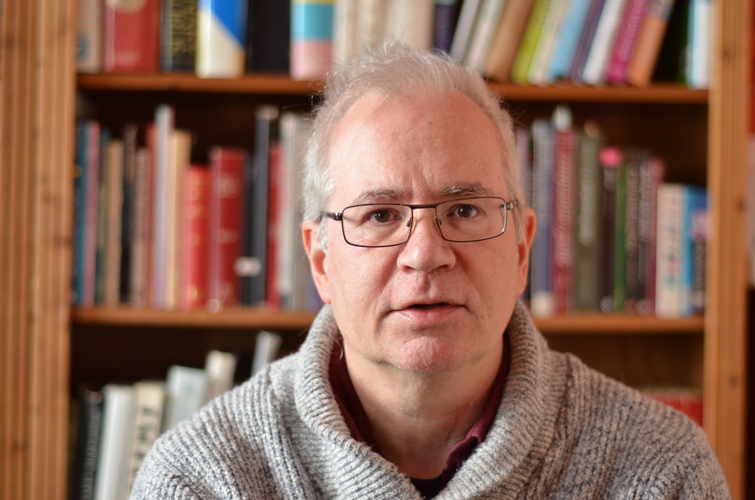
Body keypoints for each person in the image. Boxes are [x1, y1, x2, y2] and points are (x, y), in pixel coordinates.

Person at [131, 43, 729, 499]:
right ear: (321, 261)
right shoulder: (202, 477)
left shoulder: (661, 471)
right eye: (380, 215)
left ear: (522, 250)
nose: (425, 253)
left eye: (464, 210)